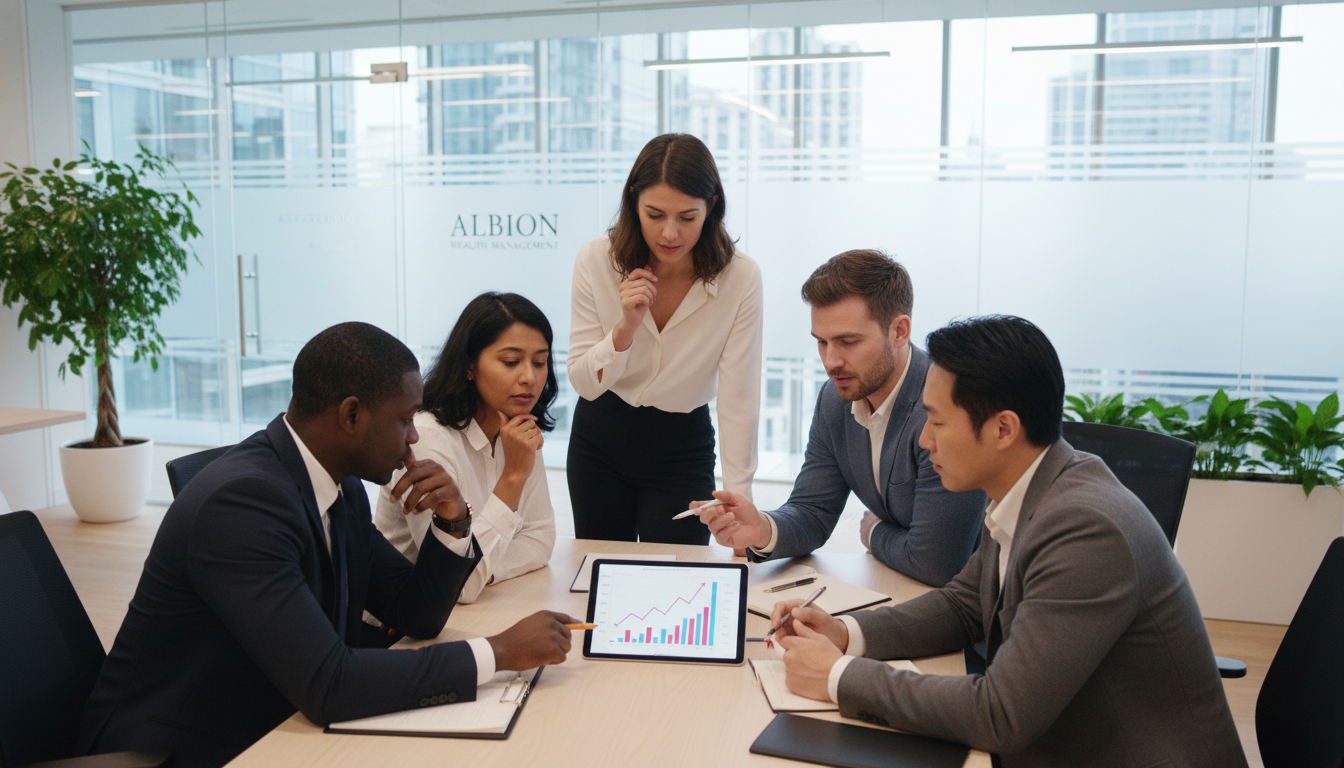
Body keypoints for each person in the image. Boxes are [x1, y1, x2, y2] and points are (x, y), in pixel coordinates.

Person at [76, 322, 578, 768]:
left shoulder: (339, 488)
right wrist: (499, 651)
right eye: (404, 420)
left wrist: (454, 520)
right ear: (351, 416)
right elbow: (328, 684)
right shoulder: (242, 506)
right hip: (185, 747)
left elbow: (415, 614)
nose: (411, 442)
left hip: (276, 719)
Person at [768, 316, 1248, 768]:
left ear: (1003, 429)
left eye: (936, 421)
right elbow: (964, 606)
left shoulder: (1085, 529)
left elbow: (1000, 715)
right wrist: (845, 634)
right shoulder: (1030, 490)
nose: (922, 441)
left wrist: (837, 676)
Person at [693, 250, 985, 586]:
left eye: (848, 342)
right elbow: (812, 512)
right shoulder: (834, 399)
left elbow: (936, 563)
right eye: (822, 342)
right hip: (897, 583)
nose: (831, 361)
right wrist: (760, 528)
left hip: (976, 609)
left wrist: (874, 531)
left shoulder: (945, 407)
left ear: (900, 332)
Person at [566, 133, 763, 545]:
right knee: (600, 576)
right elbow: (584, 382)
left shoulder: (740, 277)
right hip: (599, 436)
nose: (670, 233)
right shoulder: (595, 260)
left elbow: (738, 395)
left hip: (681, 446)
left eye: (687, 218)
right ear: (633, 200)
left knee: (679, 582)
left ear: (711, 207)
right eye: (654, 214)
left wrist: (739, 503)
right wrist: (624, 329)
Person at [373, 292, 556, 607]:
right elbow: (458, 585)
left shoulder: (520, 428)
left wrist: (484, 573)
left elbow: (540, 538)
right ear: (470, 366)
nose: (529, 377)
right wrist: (512, 477)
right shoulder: (426, 437)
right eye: (511, 362)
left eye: (540, 362)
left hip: (468, 611)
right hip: (398, 630)